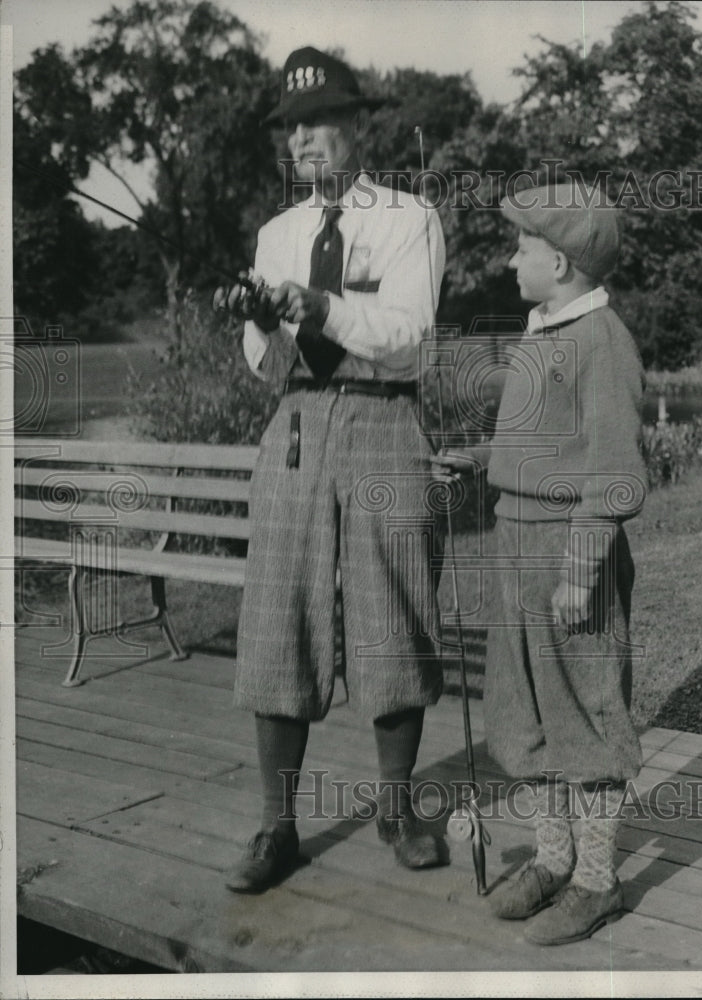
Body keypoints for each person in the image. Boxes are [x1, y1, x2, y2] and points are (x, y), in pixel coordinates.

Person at [221, 46, 448, 893]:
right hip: (298, 426)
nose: (302, 141)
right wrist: (261, 320)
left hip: (386, 420)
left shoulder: (408, 218)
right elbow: (265, 363)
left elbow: (411, 337)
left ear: (356, 127)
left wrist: (322, 307)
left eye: (317, 123)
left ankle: (396, 810)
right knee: (278, 611)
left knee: (393, 607)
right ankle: (277, 828)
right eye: (290, 129)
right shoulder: (275, 234)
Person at [434, 184, 647, 944]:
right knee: (524, 710)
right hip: (513, 546)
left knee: (583, 712)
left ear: (557, 262)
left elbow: (614, 471)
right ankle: (553, 861)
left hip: (566, 555)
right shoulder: (541, 332)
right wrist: (483, 461)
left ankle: (597, 880)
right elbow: (546, 443)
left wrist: (580, 570)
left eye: (520, 247)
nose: (509, 258)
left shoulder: (601, 342)